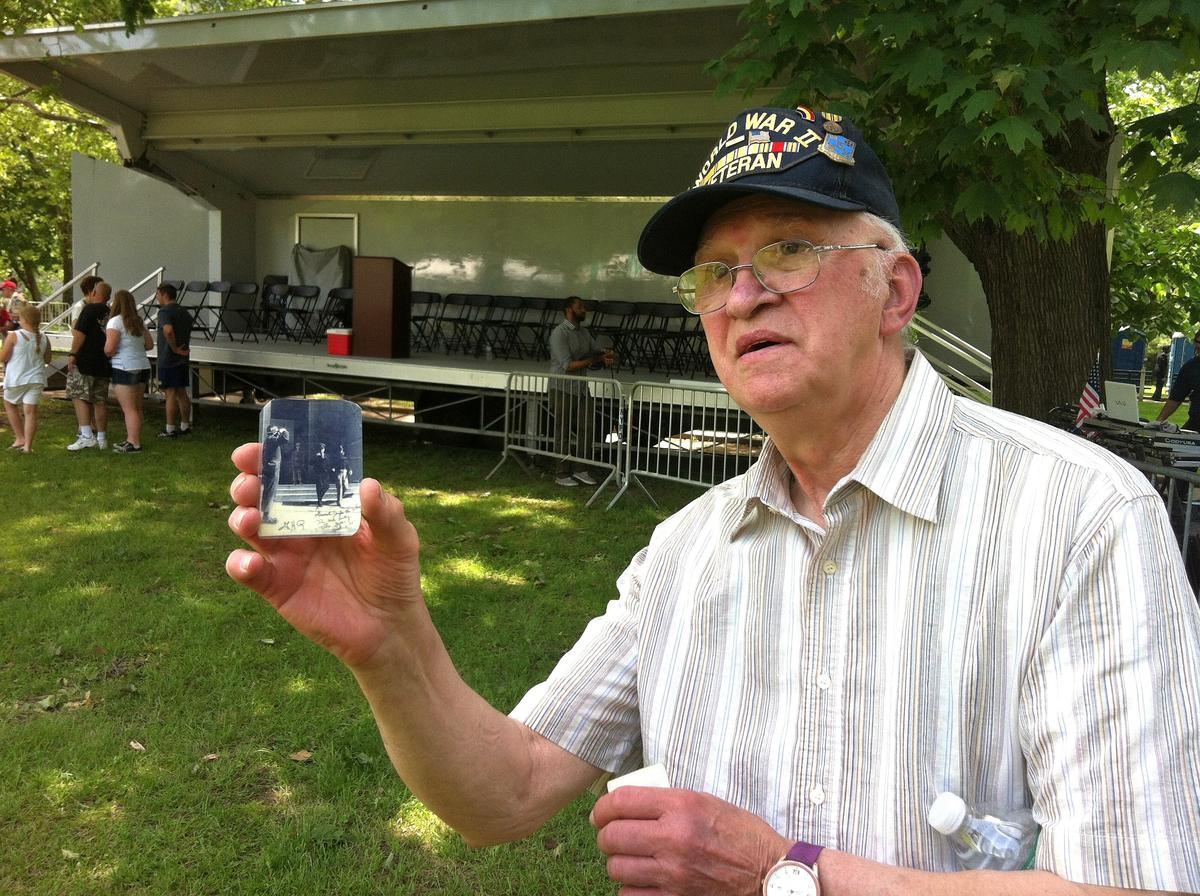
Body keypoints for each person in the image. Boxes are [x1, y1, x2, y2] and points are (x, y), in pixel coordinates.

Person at [226, 104, 1200, 895]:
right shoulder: (685, 549)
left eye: (789, 251)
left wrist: (786, 873)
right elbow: (505, 792)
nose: (741, 297)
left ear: (896, 291)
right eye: (713, 273)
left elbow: (1137, 885)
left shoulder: (1080, 517)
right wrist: (393, 643)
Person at [547, 295, 614, 487]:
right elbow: (568, 365)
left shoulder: (584, 332)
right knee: (563, 430)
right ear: (569, 309)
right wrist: (593, 360)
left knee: (587, 427)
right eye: (580, 307)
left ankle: (581, 469)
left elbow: (594, 350)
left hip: (581, 389)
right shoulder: (559, 333)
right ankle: (562, 473)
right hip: (562, 387)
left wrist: (605, 354)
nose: (584, 310)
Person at [104, 289, 154, 453]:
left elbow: (109, 349)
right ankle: (134, 439)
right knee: (137, 407)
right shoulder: (139, 322)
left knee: (129, 409)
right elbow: (149, 345)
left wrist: (108, 352)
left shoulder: (114, 322)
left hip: (124, 367)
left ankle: (133, 442)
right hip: (143, 365)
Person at [65, 279, 112, 451]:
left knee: (78, 395)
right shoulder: (110, 312)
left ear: (93, 293)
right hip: (104, 362)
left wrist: (73, 354)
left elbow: (79, 334)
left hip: (86, 360)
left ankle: (86, 435)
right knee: (100, 400)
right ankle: (102, 438)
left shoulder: (89, 309)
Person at [1, 303, 51, 452]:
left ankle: (20, 438)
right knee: (30, 412)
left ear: (25, 320)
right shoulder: (44, 337)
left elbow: (3, 357)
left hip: (17, 378)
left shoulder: (14, 335)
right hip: (36, 379)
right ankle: (28, 447)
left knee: (9, 404)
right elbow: (48, 359)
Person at [154, 282, 193, 438]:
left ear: (164, 294)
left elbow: (168, 330)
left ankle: (170, 428)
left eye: (158, 295)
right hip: (183, 357)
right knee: (182, 392)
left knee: (170, 393)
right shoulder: (184, 312)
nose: (157, 298)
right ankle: (185, 425)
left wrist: (174, 347)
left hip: (168, 357)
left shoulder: (164, 311)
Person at [260, 424, 289, 524]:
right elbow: (285, 439)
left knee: (267, 492)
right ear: (273, 432)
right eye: (276, 431)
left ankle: (264, 514)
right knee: (270, 492)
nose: (277, 432)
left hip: (269, 468)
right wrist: (283, 430)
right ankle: (266, 516)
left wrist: (277, 433)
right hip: (272, 469)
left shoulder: (268, 440)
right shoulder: (272, 439)